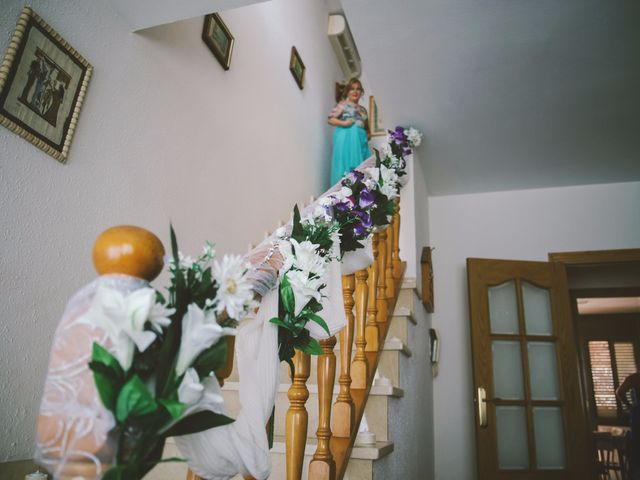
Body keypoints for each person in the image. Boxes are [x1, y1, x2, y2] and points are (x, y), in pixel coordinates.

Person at [328, 78, 371, 186]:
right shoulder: (343, 104)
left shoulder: (363, 110)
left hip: (361, 141)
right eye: (352, 89)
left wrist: (366, 134)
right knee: (345, 166)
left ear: (361, 92)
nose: (355, 92)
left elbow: (367, 128)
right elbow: (330, 119)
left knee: (362, 168)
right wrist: (344, 123)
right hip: (346, 139)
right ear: (347, 91)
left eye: (358, 89)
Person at [617, 372, 640, 479]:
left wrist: (630, 406)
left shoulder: (634, 378)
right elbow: (620, 392)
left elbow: (620, 392)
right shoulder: (634, 378)